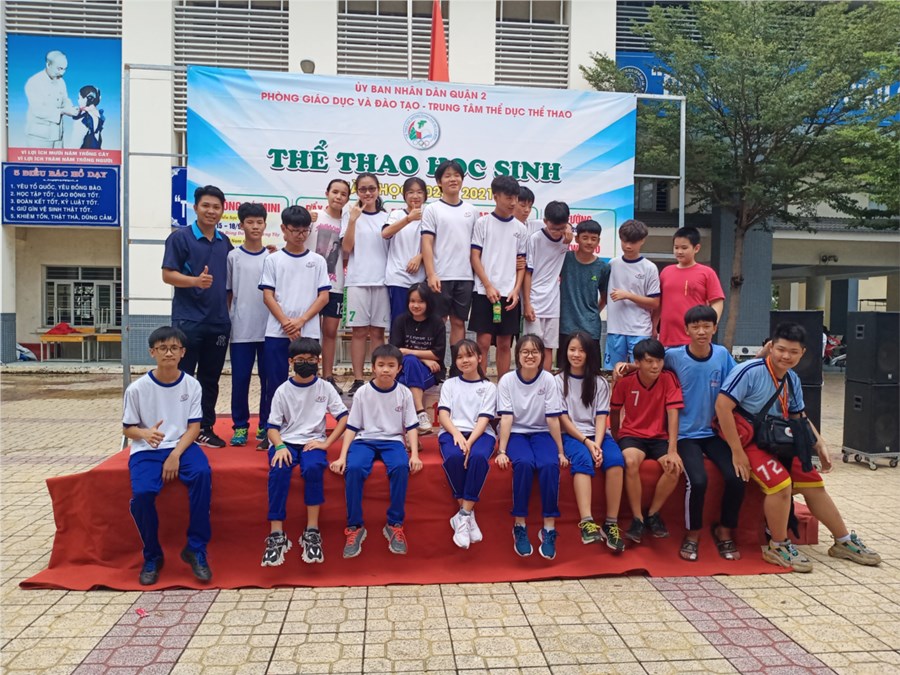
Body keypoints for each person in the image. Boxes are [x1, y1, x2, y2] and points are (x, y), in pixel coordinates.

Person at [715, 322, 881, 572]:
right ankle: (778, 545)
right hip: (748, 441)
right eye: (781, 349)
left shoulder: (792, 379)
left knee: (814, 483)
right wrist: (737, 452)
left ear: (802, 353)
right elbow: (722, 407)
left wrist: (819, 443)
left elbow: (798, 416)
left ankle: (843, 541)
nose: (786, 356)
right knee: (781, 484)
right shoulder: (749, 370)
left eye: (793, 351)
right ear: (771, 347)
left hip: (776, 440)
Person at [616, 305, 744, 561]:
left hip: (713, 432)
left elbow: (741, 376)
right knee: (698, 481)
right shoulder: (673, 356)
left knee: (736, 477)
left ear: (715, 328)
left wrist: (765, 355)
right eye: (696, 326)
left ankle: (724, 530)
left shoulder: (722, 355)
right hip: (685, 435)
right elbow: (650, 361)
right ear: (686, 330)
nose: (701, 331)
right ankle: (692, 535)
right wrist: (628, 366)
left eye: (706, 326)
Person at [122, 326, 212, 585]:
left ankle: (196, 548)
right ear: (152, 352)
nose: (169, 353)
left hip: (182, 445)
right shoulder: (137, 389)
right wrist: (144, 433)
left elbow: (194, 427)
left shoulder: (192, 385)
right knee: (142, 494)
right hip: (147, 449)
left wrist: (175, 454)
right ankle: (152, 555)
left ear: (183, 352)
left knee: (202, 475)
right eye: (163, 348)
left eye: (174, 348)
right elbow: (127, 428)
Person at [330, 344, 423, 558]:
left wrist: (415, 455)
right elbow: (352, 426)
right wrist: (342, 457)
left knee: (400, 467)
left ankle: (394, 524)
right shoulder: (363, 392)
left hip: (393, 441)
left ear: (399, 368)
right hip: (365, 440)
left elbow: (411, 426)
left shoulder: (404, 393)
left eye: (391, 365)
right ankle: (355, 526)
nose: (385, 370)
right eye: (381, 365)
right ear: (373, 367)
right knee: (354, 469)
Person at [262, 338, 348, 567]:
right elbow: (272, 427)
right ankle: (276, 533)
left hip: (313, 442)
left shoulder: (325, 388)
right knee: (279, 470)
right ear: (291, 362)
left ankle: (312, 531)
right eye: (300, 360)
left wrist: (327, 443)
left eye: (311, 360)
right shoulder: (283, 390)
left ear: (318, 361)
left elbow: (343, 418)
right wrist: (280, 446)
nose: (306, 364)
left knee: (313, 468)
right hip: (286, 442)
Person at [162, 185, 234, 448]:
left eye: (216, 207)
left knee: (210, 378)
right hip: (188, 321)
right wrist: (195, 281)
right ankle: (177, 428)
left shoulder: (225, 242)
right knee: (182, 376)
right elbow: (167, 274)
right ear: (195, 208)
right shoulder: (180, 238)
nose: (211, 211)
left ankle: (204, 428)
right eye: (206, 206)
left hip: (218, 322)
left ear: (223, 210)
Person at [259, 205, 331, 448]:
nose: (300, 235)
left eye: (304, 230)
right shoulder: (273, 260)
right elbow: (268, 296)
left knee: (309, 383)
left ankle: (308, 430)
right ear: (283, 229)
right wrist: (286, 323)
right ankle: (271, 432)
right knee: (274, 382)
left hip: (308, 332)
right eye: (295, 230)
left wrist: (300, 321)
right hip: (277, 332)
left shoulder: (317, 261)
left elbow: (323, 297)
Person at [495, 335, 567, 560]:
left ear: (542, 355)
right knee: (524, 463)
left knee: (549, 464)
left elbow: (553, 418)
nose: (530, 356)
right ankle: (520, 525)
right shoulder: (507, 380)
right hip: (516, 432)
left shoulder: (549, 380)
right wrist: (502, 451)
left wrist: (560, 451)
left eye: (535, 351)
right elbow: (506, 418)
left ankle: (549, 528)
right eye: (525, 351)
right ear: (517, 355)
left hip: (542, 432)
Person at [556, 332, 626, 553]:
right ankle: (587, 522)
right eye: (572, 349)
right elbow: (563, 419)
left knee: (616, 461)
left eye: (581, 350)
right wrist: (588, 443)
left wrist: (597, 443)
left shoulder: (599, 382)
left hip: (598, 435)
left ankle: (611, 523)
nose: (576, 354)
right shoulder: (558, 381)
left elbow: (601, 417)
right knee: (583, 461)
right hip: (572, 435)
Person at [610, 338, 684, 544]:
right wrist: (616, 437)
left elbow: (673, 414)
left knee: (674, 468)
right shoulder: (626, 381)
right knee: (630, 461)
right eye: (649, 361)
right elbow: (614, 411)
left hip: (659, 437)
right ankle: (637, 519)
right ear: (638, 362)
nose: (655, 366)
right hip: (632, 435)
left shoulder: (669, 379)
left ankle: (652, 514)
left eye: (659, 361)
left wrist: (673, 450)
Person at [438, 339, 497, 549]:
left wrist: (470, 441)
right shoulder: (450, 384)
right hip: (452, 432)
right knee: (455, 457)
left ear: (479, 358)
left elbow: (484, 418)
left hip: (481, 433)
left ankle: (463, 515)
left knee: (478, 458)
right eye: (460, 357)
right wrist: (456, 434)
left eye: (469, 355)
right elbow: (443, 414)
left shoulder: (488, 387)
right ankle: (467, 516)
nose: (465, 360)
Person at [470, 175, 526, 378]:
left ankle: (503, 387)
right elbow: (474, 257)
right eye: (508, 197)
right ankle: (481, 384)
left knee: (504, 343)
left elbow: (521, 264)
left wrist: (516, 290)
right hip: (484, 292)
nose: (513, 202)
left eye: (515, 198)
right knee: (483, 342)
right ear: (496, 197)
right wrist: (488, 285)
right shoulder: (482, 223)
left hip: (509, 294)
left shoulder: (520, 228)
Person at [421, 160, 478, 353]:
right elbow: (427, 243)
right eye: (447, 176)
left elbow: (476, 247)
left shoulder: (472, 211)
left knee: (459, 322)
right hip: (441, 276)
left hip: (465, 276)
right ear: (439, 182)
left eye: (456, 175)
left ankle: (457, 365)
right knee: (437, 322)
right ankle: (435, 364)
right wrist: (431, 274)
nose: (453, 179)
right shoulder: (432, 209)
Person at [342, 172, 391, 396]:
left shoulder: (387, 217)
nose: (368, 193)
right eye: (363, 189)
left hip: (382, 282)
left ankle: (377, 378)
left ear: (378, 190)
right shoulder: (349, 214)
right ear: (357, 192)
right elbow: (346, 248)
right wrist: (353, 220)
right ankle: (358, 379)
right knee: (359, 332)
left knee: (378, 333)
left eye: (372, 188)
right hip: (357, 281)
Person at [226, 202, 270, 446]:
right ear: (241, 225)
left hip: (268, 330)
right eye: (250, 222)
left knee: (268, 380)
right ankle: (240, 426)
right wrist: (229, 320)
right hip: (241, 330)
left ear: (265, 225)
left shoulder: (272, 257)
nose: (255, 226)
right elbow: (228, 292)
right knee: (240, 380)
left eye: (259, 222)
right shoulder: (233, 257)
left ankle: (265, 424)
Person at [309, 179, 351, 394]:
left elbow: (348, 252)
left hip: (334, 284)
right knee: (310, 332)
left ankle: (328, 377)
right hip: (310, 285)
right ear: (327, 193)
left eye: (343, 194)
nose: (338, 197)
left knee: (331, 332)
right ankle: (309, 375)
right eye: (335, 192)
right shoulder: (313, 217)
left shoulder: (348, 221)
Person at [389, 282, 446, 435]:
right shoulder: (401, 321)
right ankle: (420, 415)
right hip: (405, 369)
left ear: (428, 302)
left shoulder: (437, 322)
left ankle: (409, 433)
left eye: (420, 301)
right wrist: (423, 358)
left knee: (404, 381)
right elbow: (395, 352)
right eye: (412, 301)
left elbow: (438, 354)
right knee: (409, 363)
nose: (415, 305)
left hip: (430, 372)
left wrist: (410, 352)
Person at [523, 201, 574, 370]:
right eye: (554, 229)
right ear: (545, 222)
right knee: (532, 346)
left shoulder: (566, 237)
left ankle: (545, 380)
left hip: (553, 302)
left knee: (548, 346)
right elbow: (527, 272)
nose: (558, 233)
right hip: (534, 300)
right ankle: (531, 378)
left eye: (561, 228)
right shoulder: (535, 239)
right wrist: (527, 304)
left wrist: (568, 228)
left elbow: (576, 228)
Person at [605, 219, 660, 367]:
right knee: (613, 371)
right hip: (615, 328)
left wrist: (628, 295)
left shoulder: (649, 268)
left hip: (640, 330)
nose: (628, 246)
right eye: (624, 241)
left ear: (642, 240)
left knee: (640, 370)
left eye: (633, 242)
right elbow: (603, 295)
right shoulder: (612, 264)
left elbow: (655, 303)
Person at [658, 227, 725, 348]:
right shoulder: (665, 272)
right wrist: (654, 326)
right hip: (667, 339)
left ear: (696, 248)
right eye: (676, 247)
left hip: (695, 340)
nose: (679, 251)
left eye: (684, 248)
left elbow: (717, 302)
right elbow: (658, 303)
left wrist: (708, 326)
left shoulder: (707, 273)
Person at [559, 219, 610, 366]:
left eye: (593, 239)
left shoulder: (603, 267)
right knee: (564, 370)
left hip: (591, 328)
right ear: (577, 239)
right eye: (585, 238)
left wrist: (592, 313)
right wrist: (567, 226)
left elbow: (605, 297)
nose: (589, 242)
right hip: (566, 325)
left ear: (598, 241)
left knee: (592, 370)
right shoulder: (564, 258)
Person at [383, 177, 427, 326]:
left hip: (420, 280)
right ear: (404, 195)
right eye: (411, 192)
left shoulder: (429, 216)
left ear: (425, 195)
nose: (415, 196)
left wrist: (421, 256)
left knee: (419, 324)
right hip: (398, 279)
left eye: (419, 192)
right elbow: (385, 233)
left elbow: (437, 244)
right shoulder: (397, 214)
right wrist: (409, 218)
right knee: (399, 322)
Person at [24, 50, 78, 148]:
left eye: (65, 69)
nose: (63, 73)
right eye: (59, 68)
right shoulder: (34, 82)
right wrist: (63, 111)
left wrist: (71, 108)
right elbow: (38, 110)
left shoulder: (61, 82)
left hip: (57, 136)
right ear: (48, 65)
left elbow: (65, 99)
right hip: (39, 138)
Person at [70, 85, 104, 149]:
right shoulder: (98, 115)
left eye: (79, 98)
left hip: (84, 154)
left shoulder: (82, 120)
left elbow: (74, 146)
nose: (78, 100)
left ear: (86, 99)